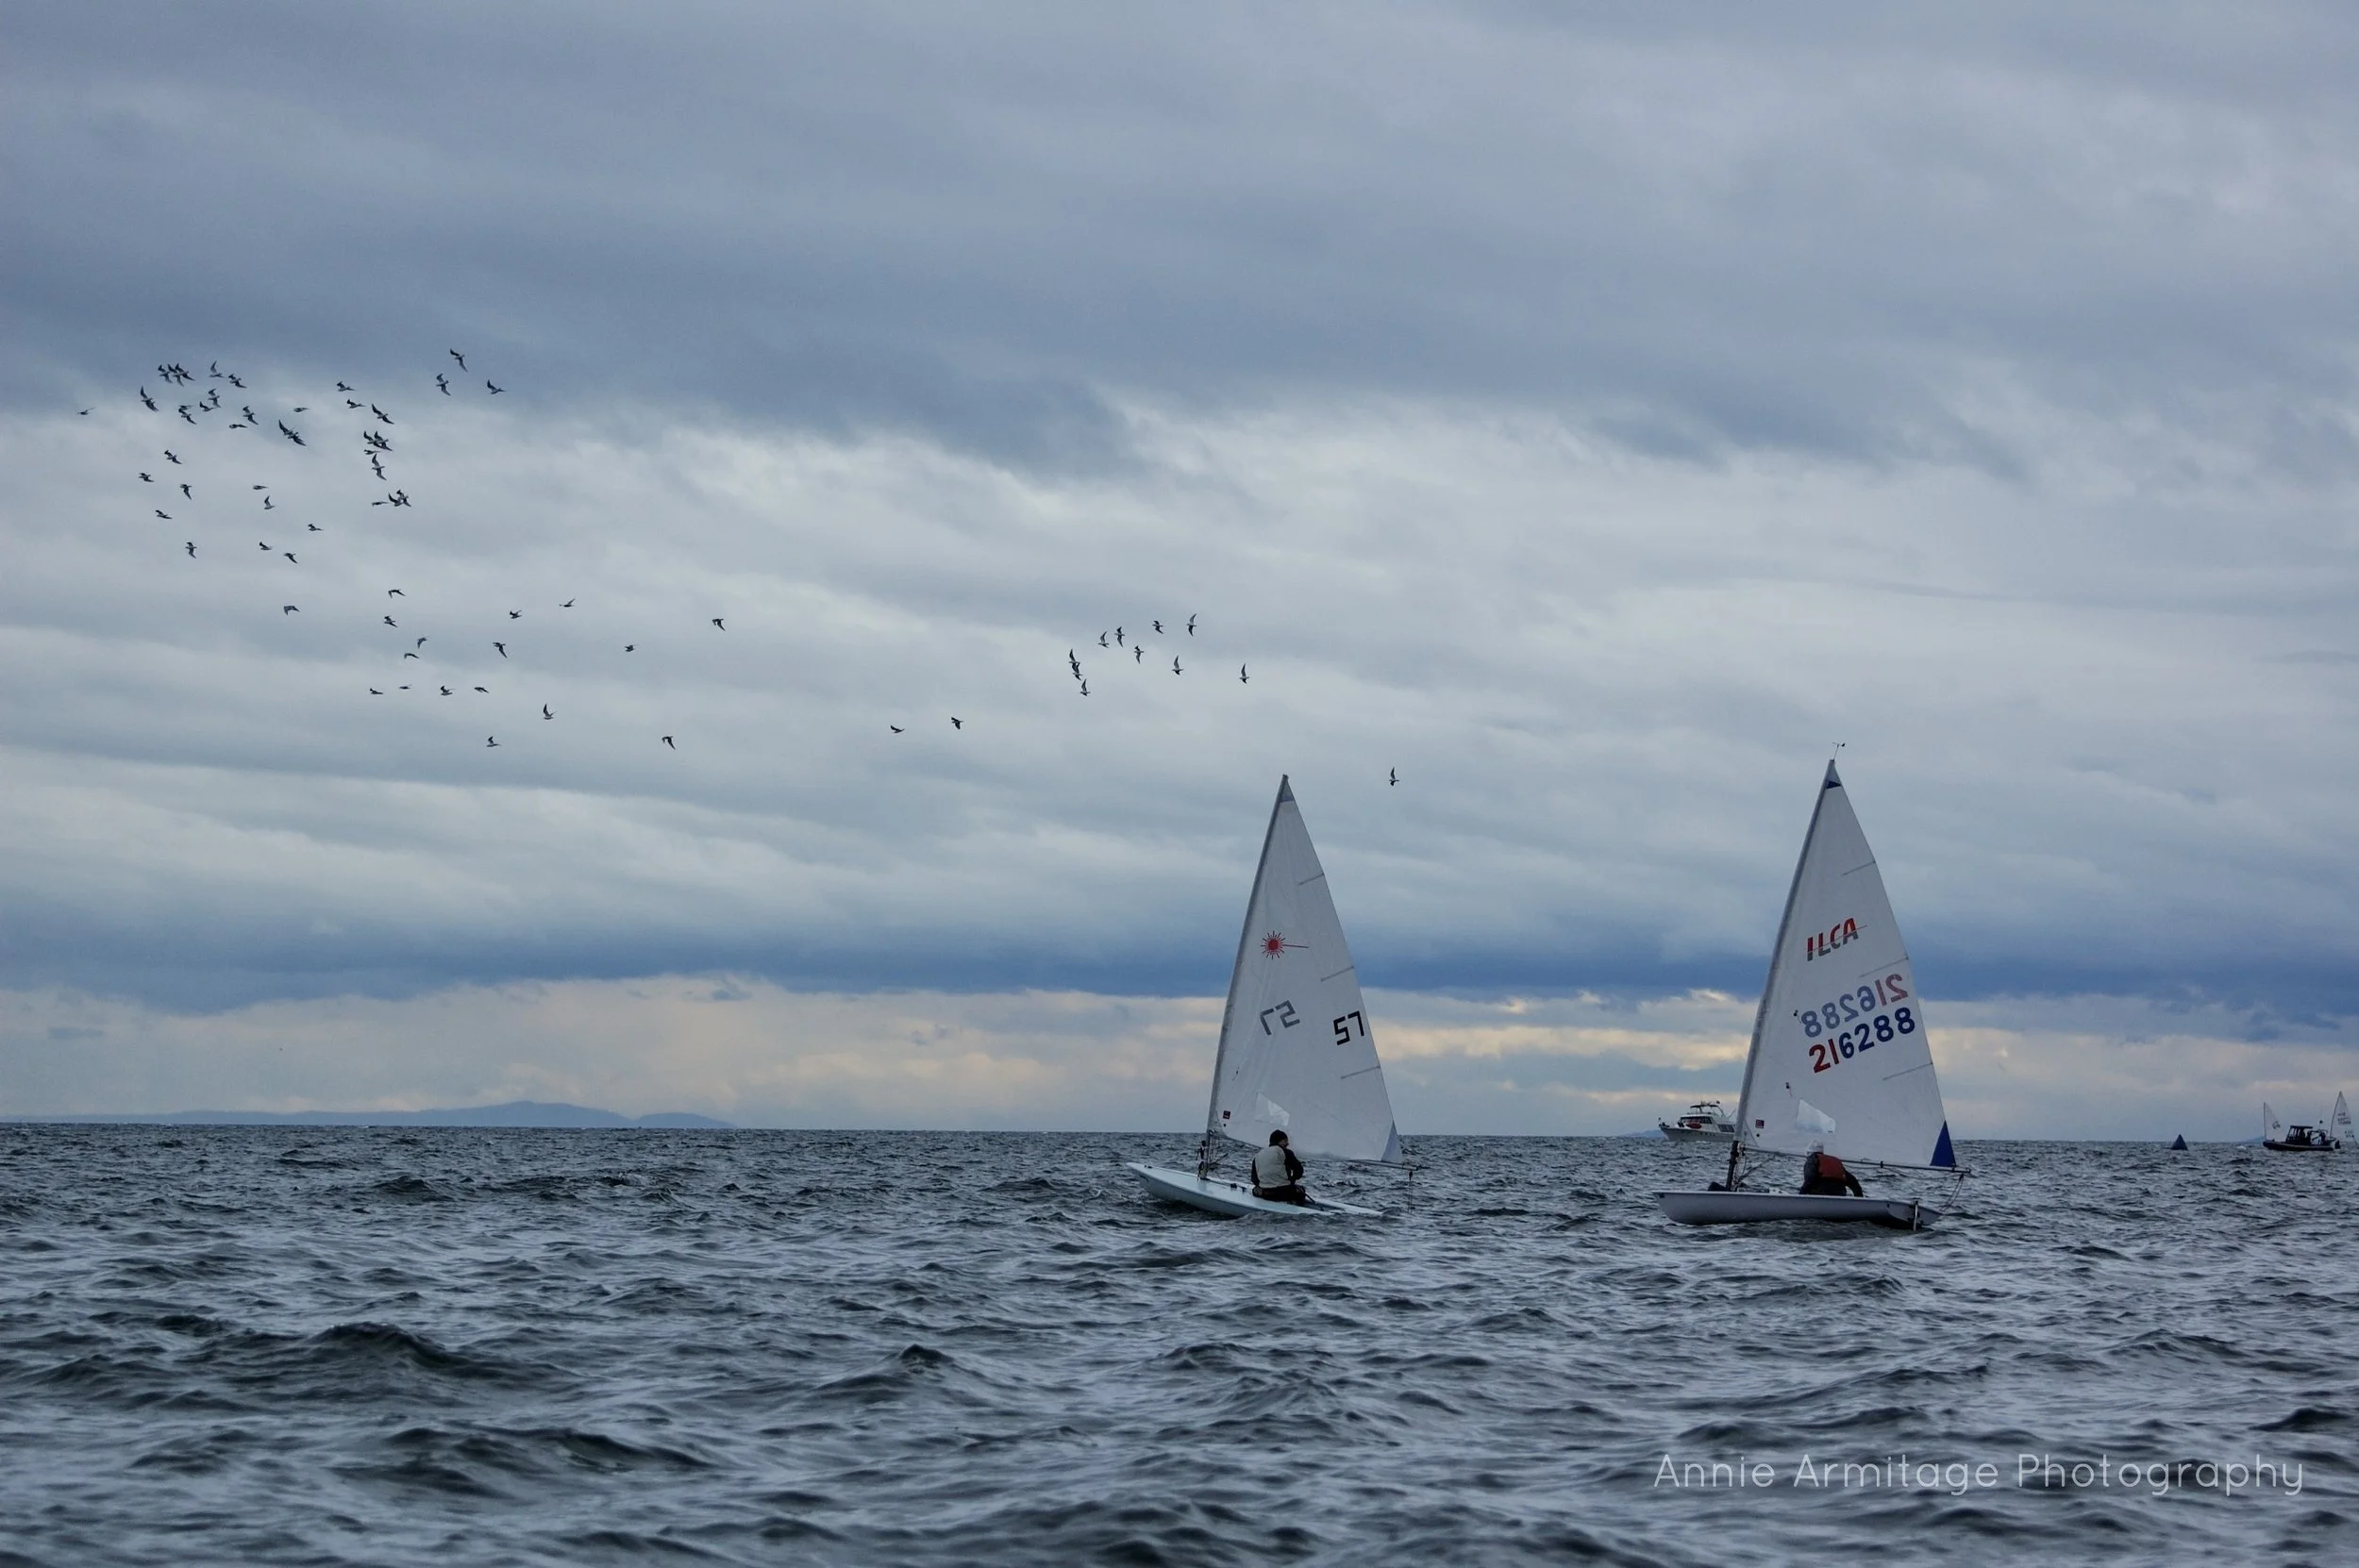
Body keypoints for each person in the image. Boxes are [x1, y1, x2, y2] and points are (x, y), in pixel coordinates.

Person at [1250, 1129, 1308, 1205]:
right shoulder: (1285, 1152)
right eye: (1285, 1141)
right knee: (1301, 1190)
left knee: (1255, 1190)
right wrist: (1292, 1180)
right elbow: (1299, 1171)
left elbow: (1254, 1178)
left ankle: (1262, 1192)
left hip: (1265, 1192)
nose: (1287, 1143)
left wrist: (1262, 1185)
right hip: (1282, 1193)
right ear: (1278, 1141)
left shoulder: (1258, 1155)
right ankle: (1293, 1204)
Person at [1799, 1143, 1864, 1197]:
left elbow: (1809, 1179)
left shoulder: (1812, 1160)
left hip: (1821, 1193)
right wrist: (1859, 1197)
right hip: (1840, 1194)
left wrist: (1801, 1195)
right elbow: (1853, 1181)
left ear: (1808, 1153)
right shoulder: (1835, 1160)